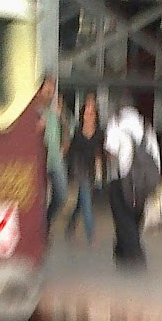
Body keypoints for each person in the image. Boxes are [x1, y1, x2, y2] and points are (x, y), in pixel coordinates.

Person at [104, 94, 160, 270]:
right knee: (136, 215)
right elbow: (154, 153)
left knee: (123, 217)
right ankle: (121, 251)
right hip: (144, 181)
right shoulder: (146, 125)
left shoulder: (116, 123)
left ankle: (135, 255)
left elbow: (111, 151)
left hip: (122, 179)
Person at [64, 94, 104, 245]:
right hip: (80, 169)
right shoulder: (78, 132)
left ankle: (70, 226)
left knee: (82, 201)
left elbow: (100, 154)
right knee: (86, 201)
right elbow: (72, 152)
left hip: (92, 169)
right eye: (86, 112)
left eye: (92, 112)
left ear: (95, 115)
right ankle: (91, 235)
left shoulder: (99, 132)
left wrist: (100, 174)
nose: (89, 116)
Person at [38, 75, 67, 232]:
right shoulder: (33, 112)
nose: (50, 93)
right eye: (47, 89)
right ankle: (40, 230)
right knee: (39, 199)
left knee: (61, 195)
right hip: (40, 161)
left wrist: (63, 147)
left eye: (52, 90)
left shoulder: (54, 112)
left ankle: (46, 221)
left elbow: (64, 132)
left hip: (56, 160)